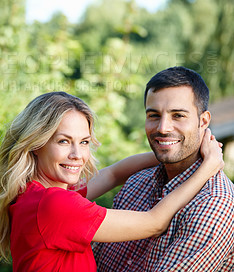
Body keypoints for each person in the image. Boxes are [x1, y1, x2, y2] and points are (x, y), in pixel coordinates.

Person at [0, 91, 223, 272]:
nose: (77, 155)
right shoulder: (55, 205)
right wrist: (207, 167)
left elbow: (114, 173)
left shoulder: (32, 194)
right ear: (36, 144)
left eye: (83, 142)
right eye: (63, 141)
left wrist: (174, 150)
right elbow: (154, 222)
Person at [94, 66, 234, 272]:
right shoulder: (136, 183)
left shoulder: (214, 204)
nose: (162, 127)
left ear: (203, 121)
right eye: (153, 115)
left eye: (178, 115)